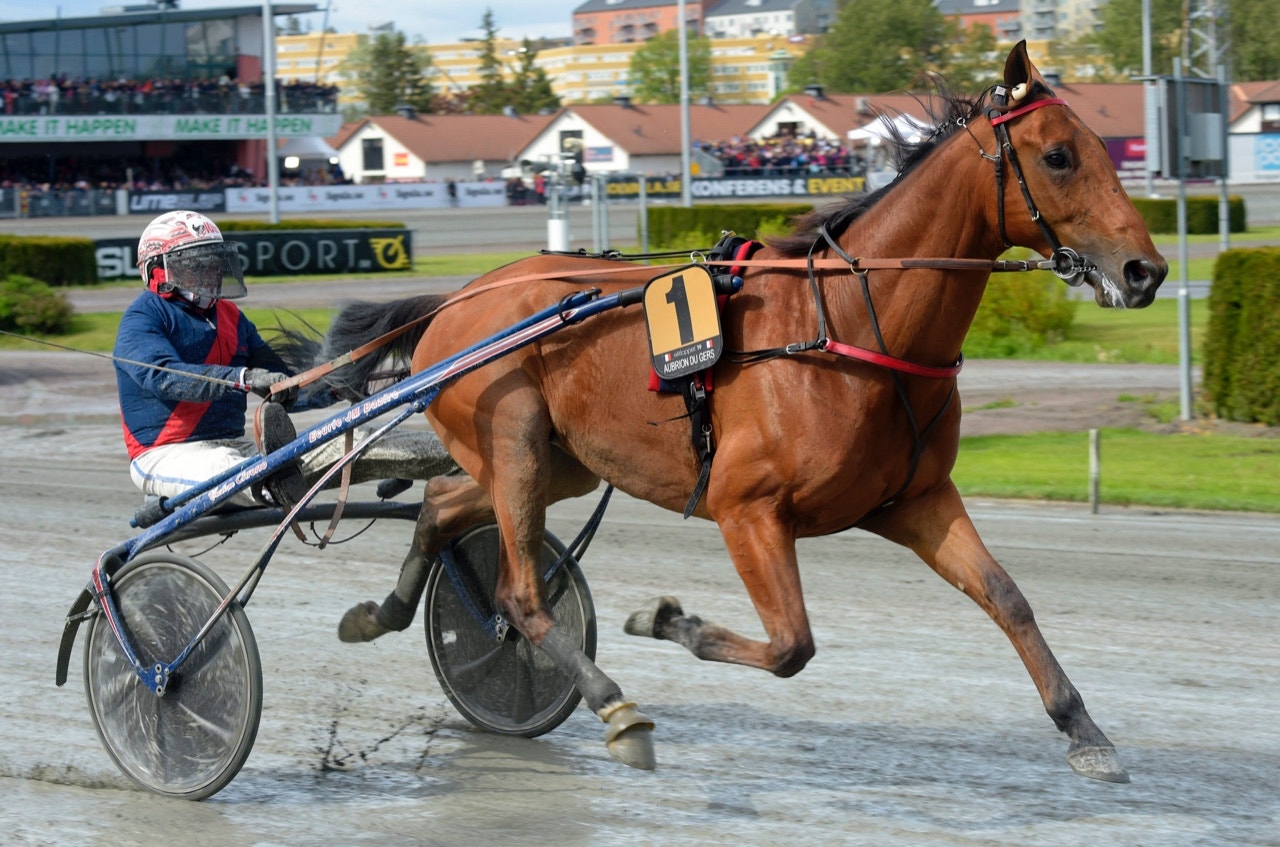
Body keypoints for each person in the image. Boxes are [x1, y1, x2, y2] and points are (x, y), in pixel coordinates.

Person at [114, 210, 457, 512]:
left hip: (243, 450)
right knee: (233, 466)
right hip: (164, 455)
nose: (208, 274)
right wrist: (243, 378)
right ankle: (269, 481)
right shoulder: (142, 317)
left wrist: (351, 385)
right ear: (157, 271)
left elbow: (285, 386)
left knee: (359, 438)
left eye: (212, 263)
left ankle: (450, 459)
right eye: (195, 266)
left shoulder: (231, 317)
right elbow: (164, 378)